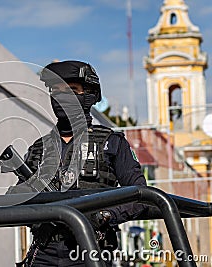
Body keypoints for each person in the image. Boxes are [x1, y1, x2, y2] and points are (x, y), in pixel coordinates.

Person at [9, 60, 148, 266]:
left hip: (90, 248)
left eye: (71, 89)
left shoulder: (111, 142)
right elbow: (19, 201)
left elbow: (140, 196)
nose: (61, 96)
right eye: (55, 90)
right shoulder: (39, 148)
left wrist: (105, 215)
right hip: (44, 250)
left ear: (89, 95)